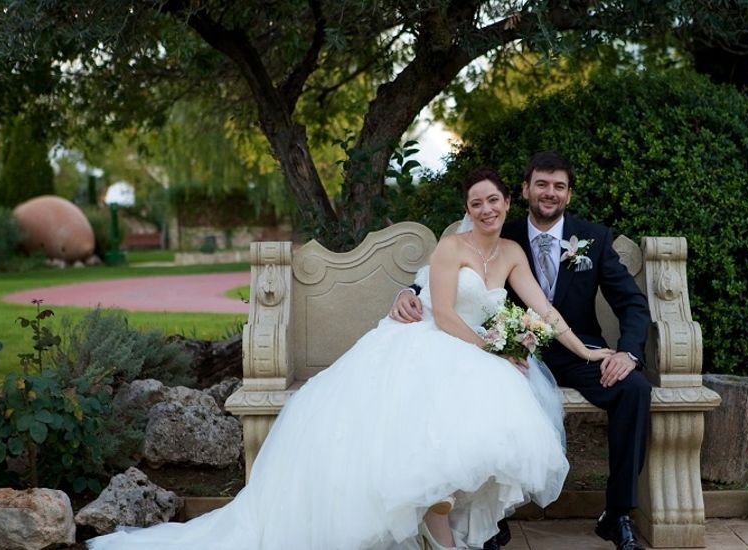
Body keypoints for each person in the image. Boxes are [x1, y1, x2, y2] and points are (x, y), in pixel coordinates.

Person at [86, 167, 613, 550]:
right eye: (476, 203)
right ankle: (437, 527)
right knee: (436, 422)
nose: (487, 210)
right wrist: (493, 353)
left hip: (476, 351)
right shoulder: (452, 248)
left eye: (493, 200)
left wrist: (586, 349)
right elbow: (448, 314)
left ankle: (441, 522)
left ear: (507, 200)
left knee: (480, 423)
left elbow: (544, 310)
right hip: (433, 341)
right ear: (467, 208)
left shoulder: (513, 253)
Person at [391, 151, 651, 550]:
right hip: (513, 352)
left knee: (633, 390)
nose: (550, 194)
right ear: (525, 190)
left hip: (573, 350)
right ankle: (490, 521)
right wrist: (409, 292)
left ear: (569, 194)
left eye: (559, 186)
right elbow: (445, 280)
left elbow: (630, 304)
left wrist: (623, 353)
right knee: (488, 401)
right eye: (541, 185)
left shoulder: (594, 239)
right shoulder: (497, 228)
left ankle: (617, 514)